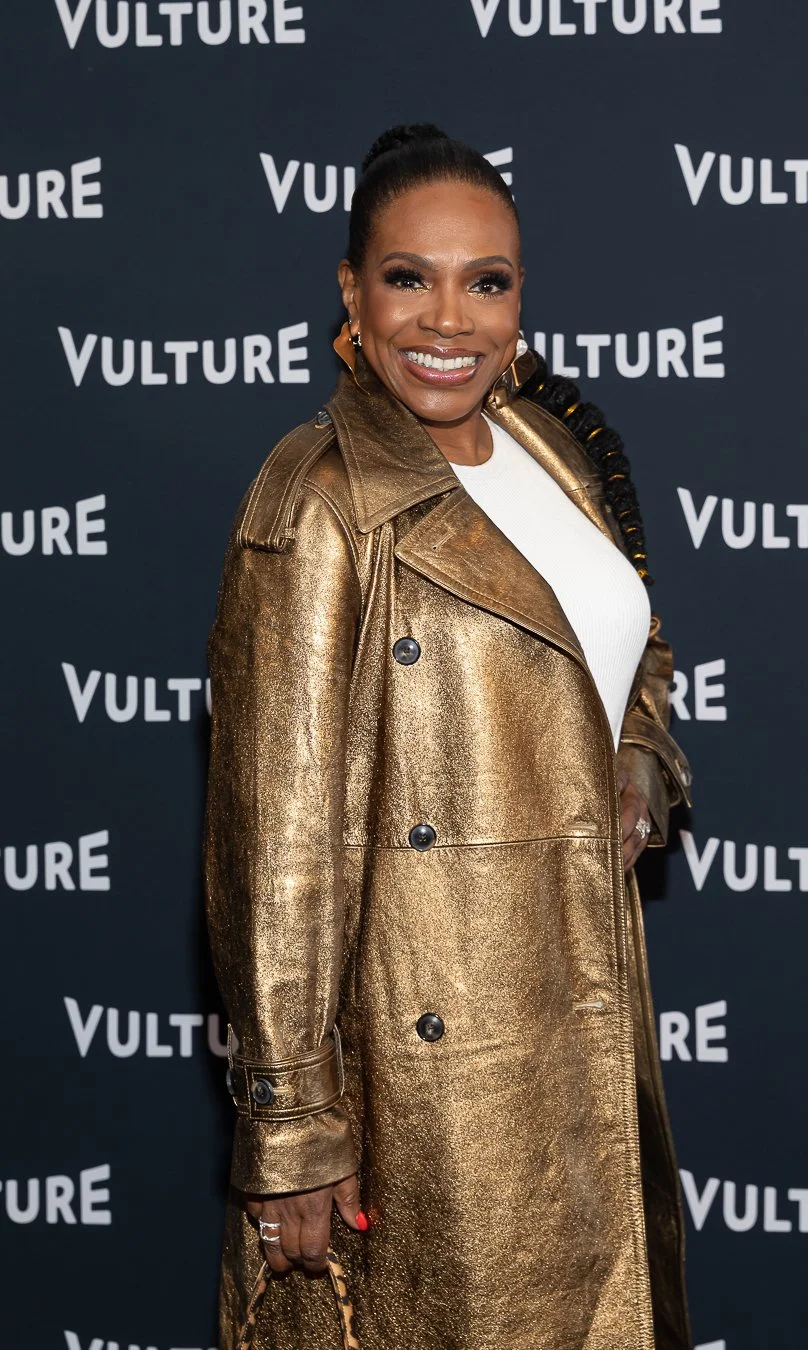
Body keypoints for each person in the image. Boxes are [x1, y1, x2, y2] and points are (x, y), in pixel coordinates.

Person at [204, 124, 694, 1350]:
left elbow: (629, 643)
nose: (448, 319)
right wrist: (291, 1125)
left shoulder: (550, 446)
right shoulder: (319, 500)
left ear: (520, 299)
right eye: (408, 277)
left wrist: (639, 764)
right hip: (430, 1071)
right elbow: (275, 848)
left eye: (487, 281)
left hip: (581, 1011)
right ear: (352, 294)